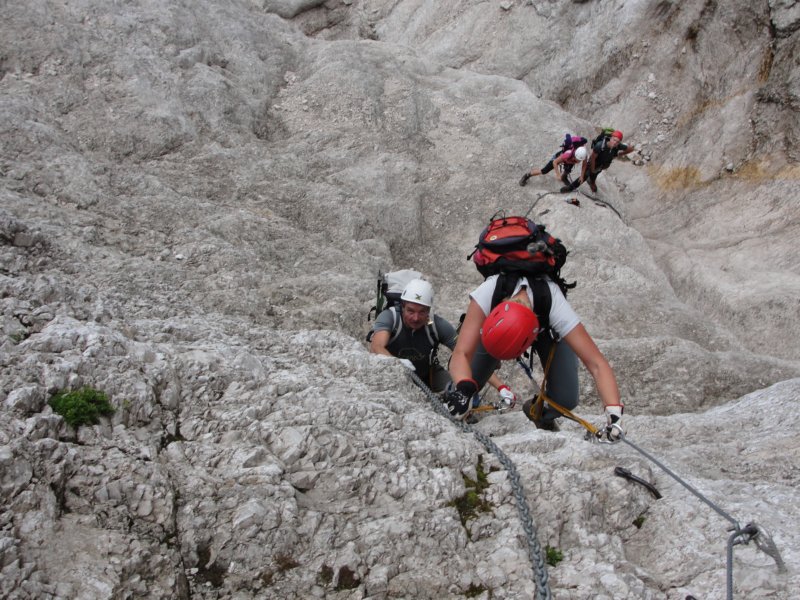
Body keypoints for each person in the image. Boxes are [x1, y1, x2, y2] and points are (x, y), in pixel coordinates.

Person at [445, 274, 624, 435]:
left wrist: (614, 412)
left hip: (547, 330)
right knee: (467, 382)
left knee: (566, 399)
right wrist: (464, 389)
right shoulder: (489, 291)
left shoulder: (553, 301)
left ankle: (538, 412)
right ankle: (457, 400)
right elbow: (461, 353)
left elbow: (596, 363)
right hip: (494, 332)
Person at [370, 278, 517, 405]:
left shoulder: (435, 325)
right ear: (402, 307)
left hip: (428, 375)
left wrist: (501, 387)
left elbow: (467, 356)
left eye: (422, 312)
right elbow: (377, 346)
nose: (416, 318)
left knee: (460, 391)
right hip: (393, 374)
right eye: (410, 311)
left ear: (429, 310)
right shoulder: (390, 317)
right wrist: (397, 363)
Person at [562, 129, 634, 194]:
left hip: (602, 165)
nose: (615, 143)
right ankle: (570, 188)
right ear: (611, 138)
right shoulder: (600, 145)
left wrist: (619, 154)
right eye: (614, 140)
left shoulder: (618, 146)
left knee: (595, 174)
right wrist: (592, 169)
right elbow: (593, 158)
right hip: (594, 163)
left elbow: (630, 149)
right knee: (585, 176)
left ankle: (592, 182)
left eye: (617, 142)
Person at [519, 145, 588, 187]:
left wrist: (582, 176)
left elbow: (584, 165)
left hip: (570, 160)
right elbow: (555, 162)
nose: (579, 162)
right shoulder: (567, 155)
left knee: (568, 170)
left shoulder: (583, 155)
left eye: (580, 160)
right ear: (575, 155)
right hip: (559, 158)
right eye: (578, 160)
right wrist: (558, 174)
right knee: (544, 171)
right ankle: (527, 175)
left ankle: (564, 178)